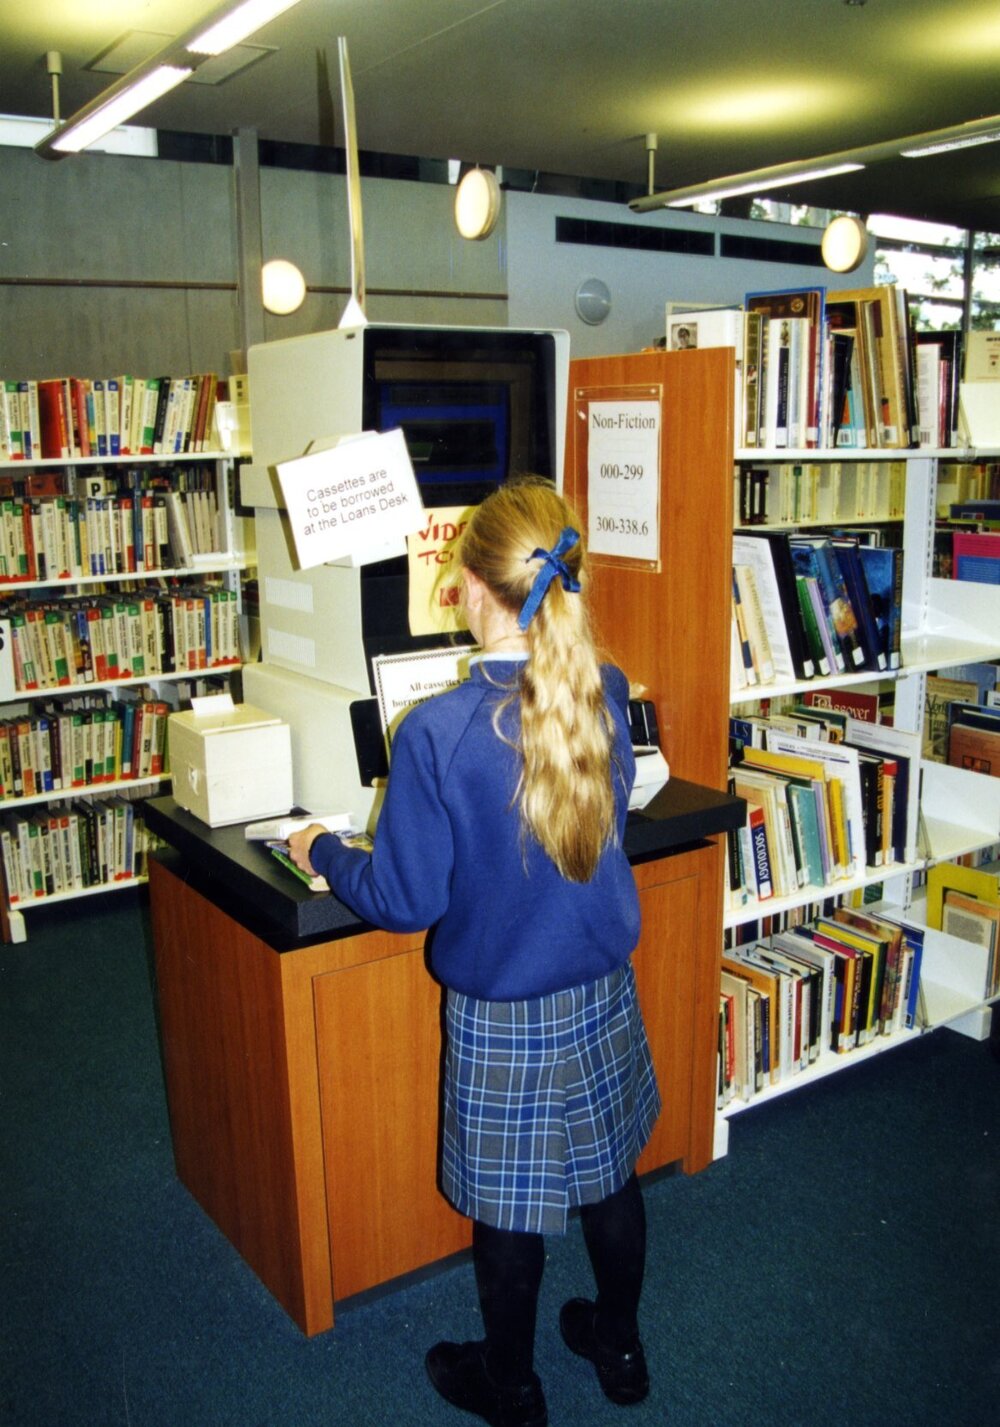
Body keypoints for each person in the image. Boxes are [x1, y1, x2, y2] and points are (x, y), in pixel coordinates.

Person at [288, 476, 661, 1427]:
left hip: (504, 1013)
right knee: (609, 1177)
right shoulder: (602, 688)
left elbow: (405, 898)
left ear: (473, 587)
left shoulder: (440, 732)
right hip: (603, 991)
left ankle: (512, 1381)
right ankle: (619, 1347)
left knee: (511, 1209)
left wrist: (321, 850)